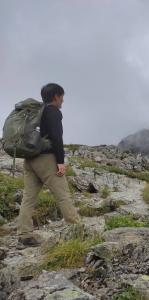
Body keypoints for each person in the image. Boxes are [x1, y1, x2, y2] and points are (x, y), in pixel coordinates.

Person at [16, 83, 81, 247]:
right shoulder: (53, 112)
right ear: (56, 97)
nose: (63, 101)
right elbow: (56, 138)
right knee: (63, 195)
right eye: (62, 97)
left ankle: (24, 236)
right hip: (46, 159)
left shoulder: (37, 112)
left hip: (30, 159)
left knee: (28, 198)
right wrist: (60, 162)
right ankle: (77, 229)